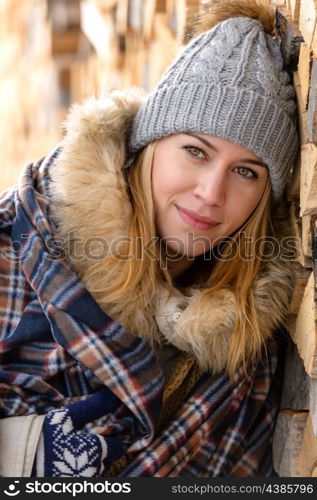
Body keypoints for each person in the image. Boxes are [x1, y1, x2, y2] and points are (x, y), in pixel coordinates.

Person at [0, 0, 299, 477]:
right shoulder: (18, 248)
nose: (210, 194)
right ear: (148, 147)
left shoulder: (244, 357)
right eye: (195, 151)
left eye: (246, 171)